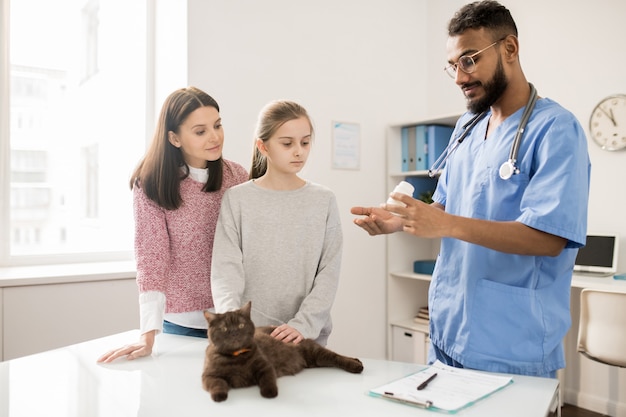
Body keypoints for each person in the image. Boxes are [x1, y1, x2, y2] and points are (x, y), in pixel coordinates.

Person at [351, 0, 590, 378]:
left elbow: (549, 238)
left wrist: (443, 225)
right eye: (453, 66)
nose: (460, 77)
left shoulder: (556, 130)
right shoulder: (468, 128)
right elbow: (447, 208)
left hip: (511, 341)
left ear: (509, 48)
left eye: (470, 60)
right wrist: (399, 222)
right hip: (448, 330)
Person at [98, 87, 248, 363]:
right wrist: (148, 334)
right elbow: (152, 257)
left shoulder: (236, 175)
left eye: (217, 125)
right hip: (181, 325)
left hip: (236, 320)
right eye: (200, 131)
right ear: (174, 137)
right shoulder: (151, 183)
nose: (215, 136)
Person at [210, 100, 342, 346]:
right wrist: (230, 319)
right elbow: (225, 268)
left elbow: (329, 272)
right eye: (287, 143)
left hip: (306, 337)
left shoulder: (324, 200)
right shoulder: (237, 199)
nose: (299, 151)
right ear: (263, 146)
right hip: (251, 336)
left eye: (305, 142)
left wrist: (302, 324)